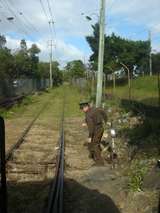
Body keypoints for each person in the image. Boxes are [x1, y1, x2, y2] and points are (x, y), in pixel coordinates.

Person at [79, 101, 107, 166]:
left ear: (86, 107)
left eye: (82, 108)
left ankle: (100, 162)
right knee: (95, 143)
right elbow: (103, 112)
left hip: (96, 130)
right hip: (101, 128)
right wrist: (106, 120)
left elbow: (91, 129)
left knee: (94, 144)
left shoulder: (88, 115)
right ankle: (92, 155)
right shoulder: (95, 109)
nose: (82, 110)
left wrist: (90, 137)